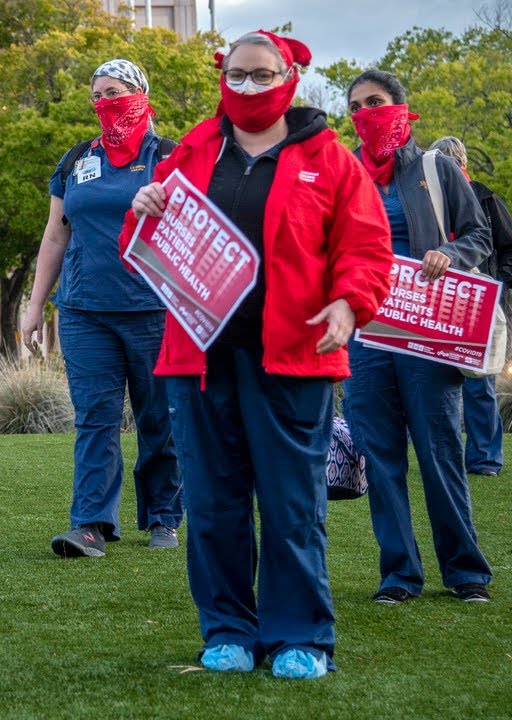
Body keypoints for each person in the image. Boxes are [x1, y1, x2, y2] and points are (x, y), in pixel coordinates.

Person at [125, 31, 394, 678]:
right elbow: (143, 250)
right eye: (238, 75)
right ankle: (227, 630)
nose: (249, 87)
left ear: (289, 77)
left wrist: (348, 305)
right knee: (214, 504)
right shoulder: (191, 150)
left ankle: (301, 635)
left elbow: (365, 247)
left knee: (291, 503)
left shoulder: (329, 159)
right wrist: (143, 211)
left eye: (262, 74)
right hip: (198, 358)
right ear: (223, 76)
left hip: (295, 358)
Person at [341, 72, 494, 605]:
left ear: (401, 108)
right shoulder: (345, 173)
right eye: (356, 106)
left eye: (375, 102)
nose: (366, 113)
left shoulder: (438, 167)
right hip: (365, 335)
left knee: (440, 450)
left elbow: (480, 235)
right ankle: (399, 575)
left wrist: (449, 255)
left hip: (429, 334)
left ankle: (465, 571)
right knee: (380, 456)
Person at [22, 59, 182, 558]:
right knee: (96, 417)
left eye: (113, 92)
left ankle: (164, 517)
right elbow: (54, 236)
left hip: (154, 311)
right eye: (97, 95)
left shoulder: (172, 156)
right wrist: (33, 308)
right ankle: (90, 523)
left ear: (140, 94)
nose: (104, 103)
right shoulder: (76, 160)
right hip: (84, 311)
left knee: (160, 418)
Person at [430, 135, 512, 477]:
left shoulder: (485, 199)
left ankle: (485, 458)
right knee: (435, 379)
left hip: (481, 300)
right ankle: (439, 455)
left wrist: (498, 284)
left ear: (462, 165)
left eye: (450, 165)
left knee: (481, 382)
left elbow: (508, 247)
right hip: (437, 299)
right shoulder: (427, 198)